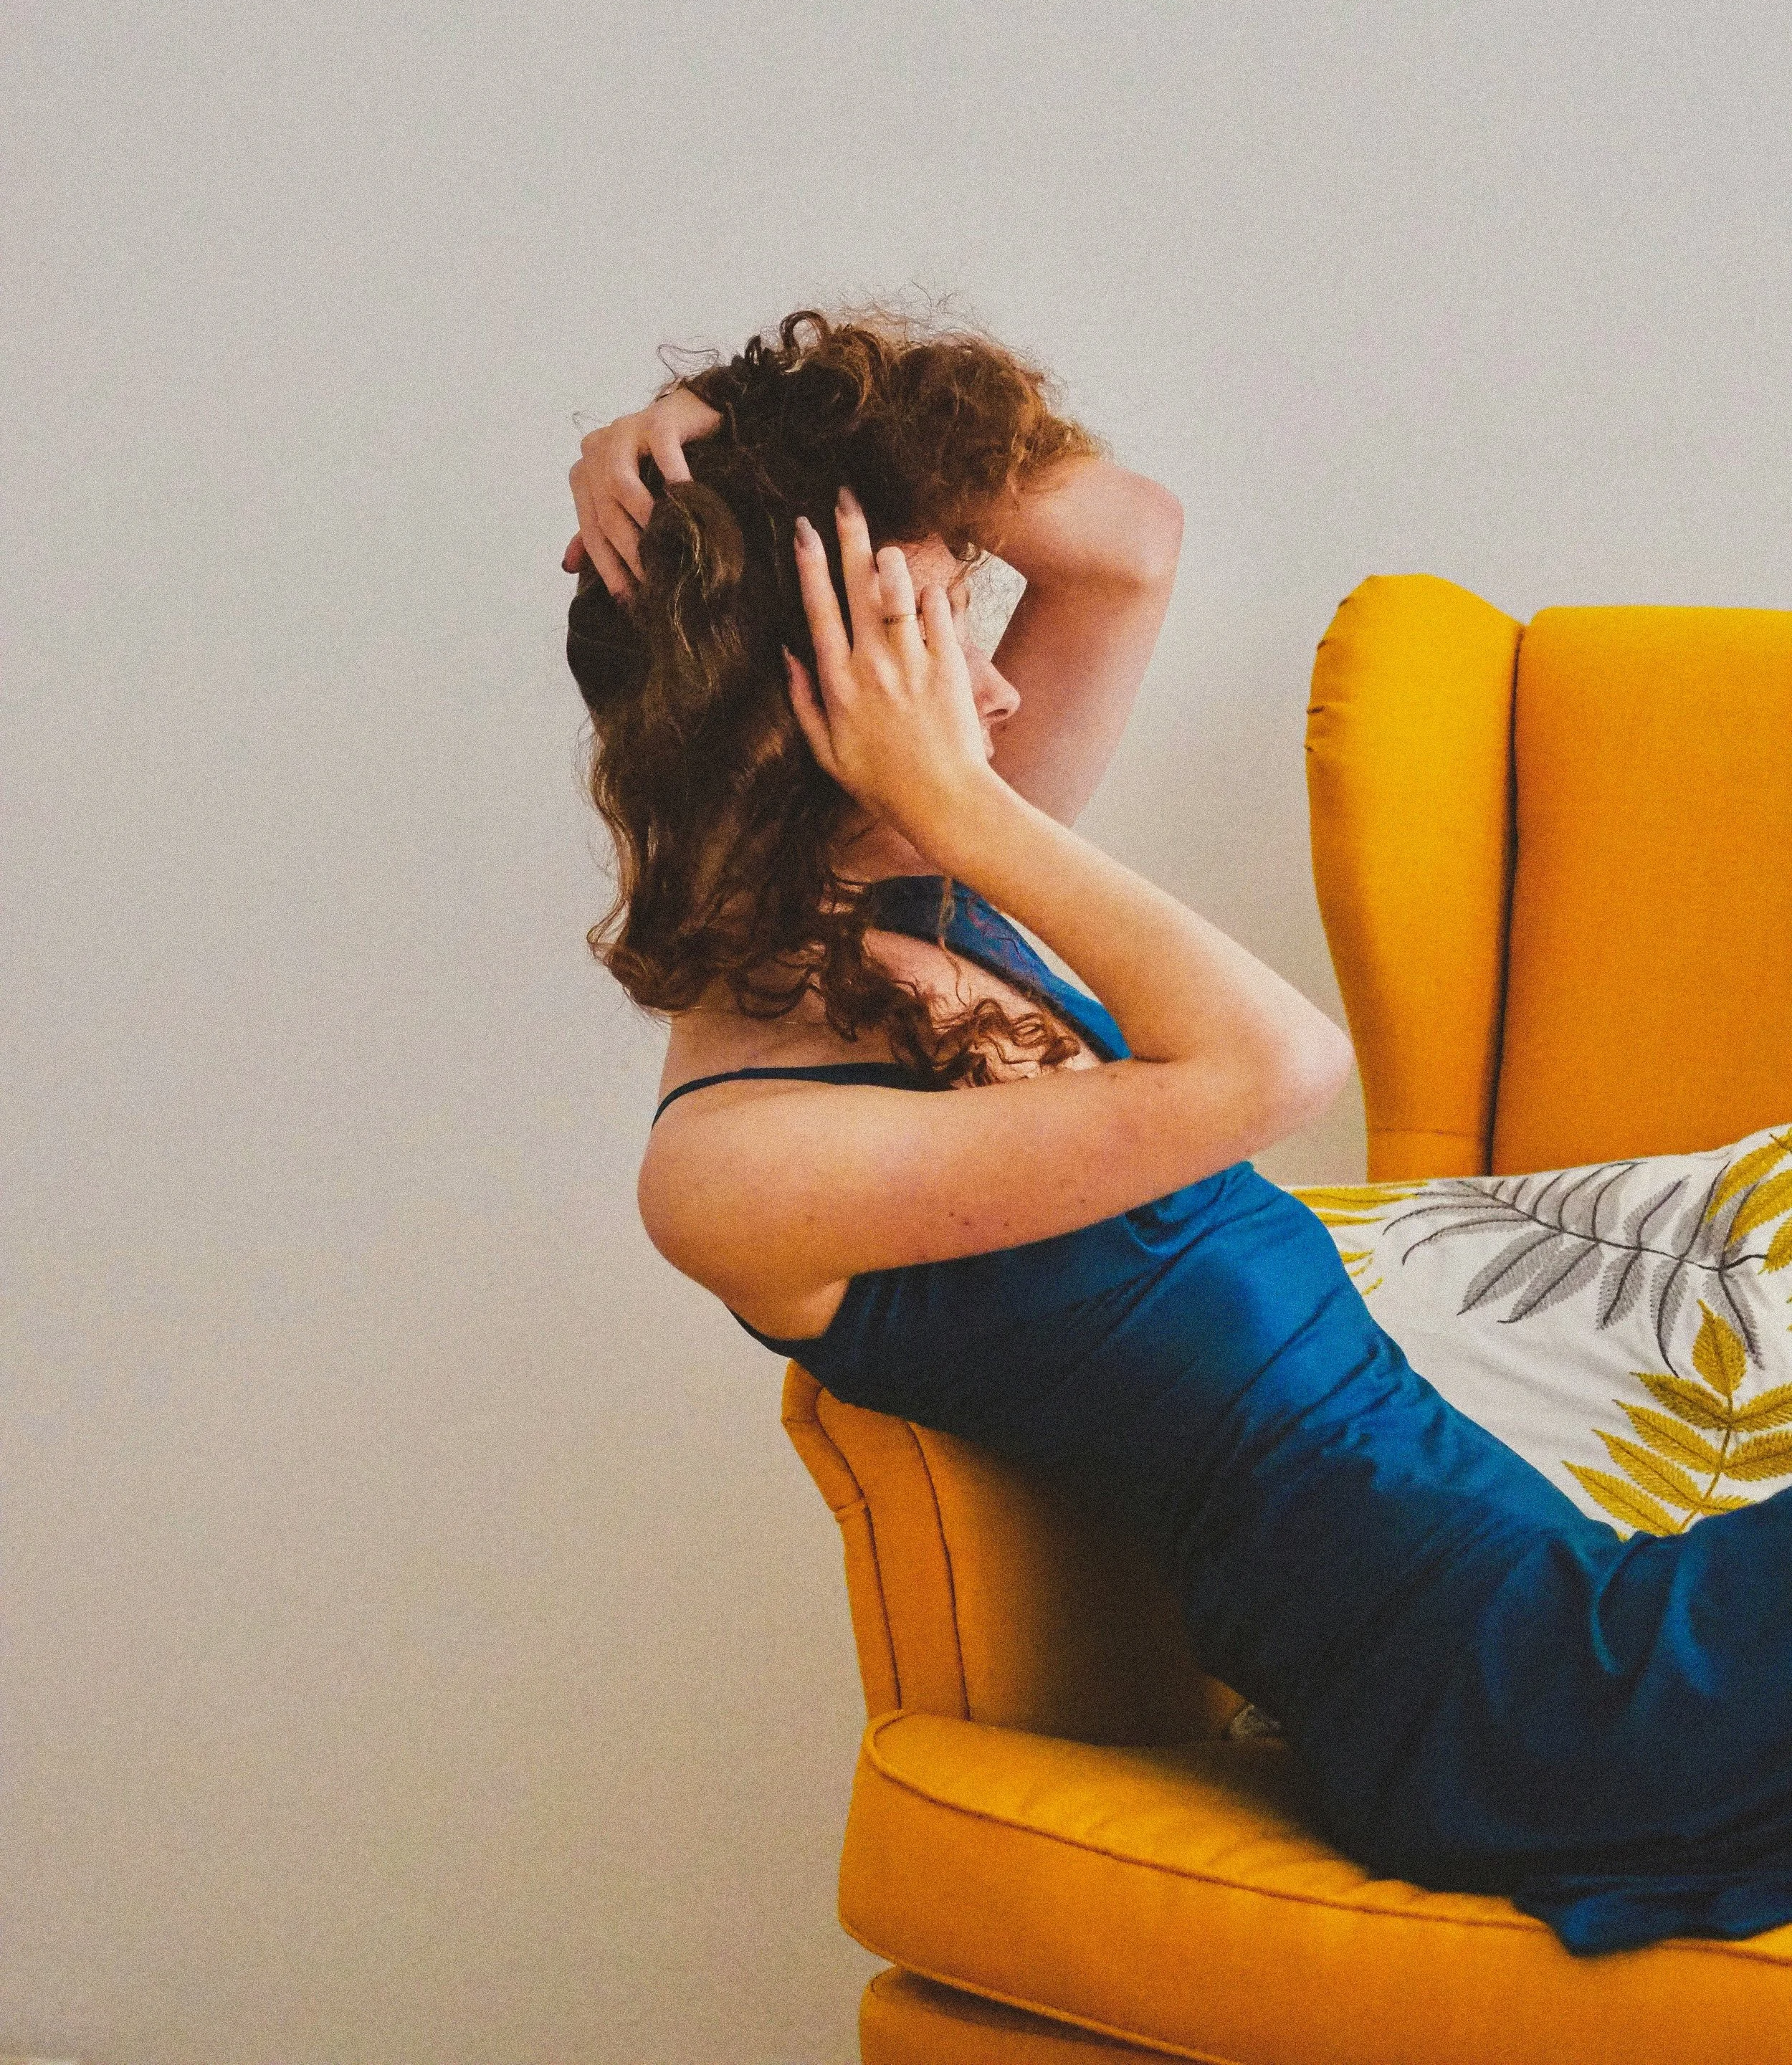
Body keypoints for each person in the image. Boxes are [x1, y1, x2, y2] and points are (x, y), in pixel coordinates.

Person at [563, 306, 1792, 1960]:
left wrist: (728, 428)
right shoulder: (735, 1164)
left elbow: (1127, 540)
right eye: (926, 636)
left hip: (1578, 1626)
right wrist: (955, 796)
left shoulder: (921, 902)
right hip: (1504, 1709)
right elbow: (1278, 1063)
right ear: (790, 706)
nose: (990, 685)